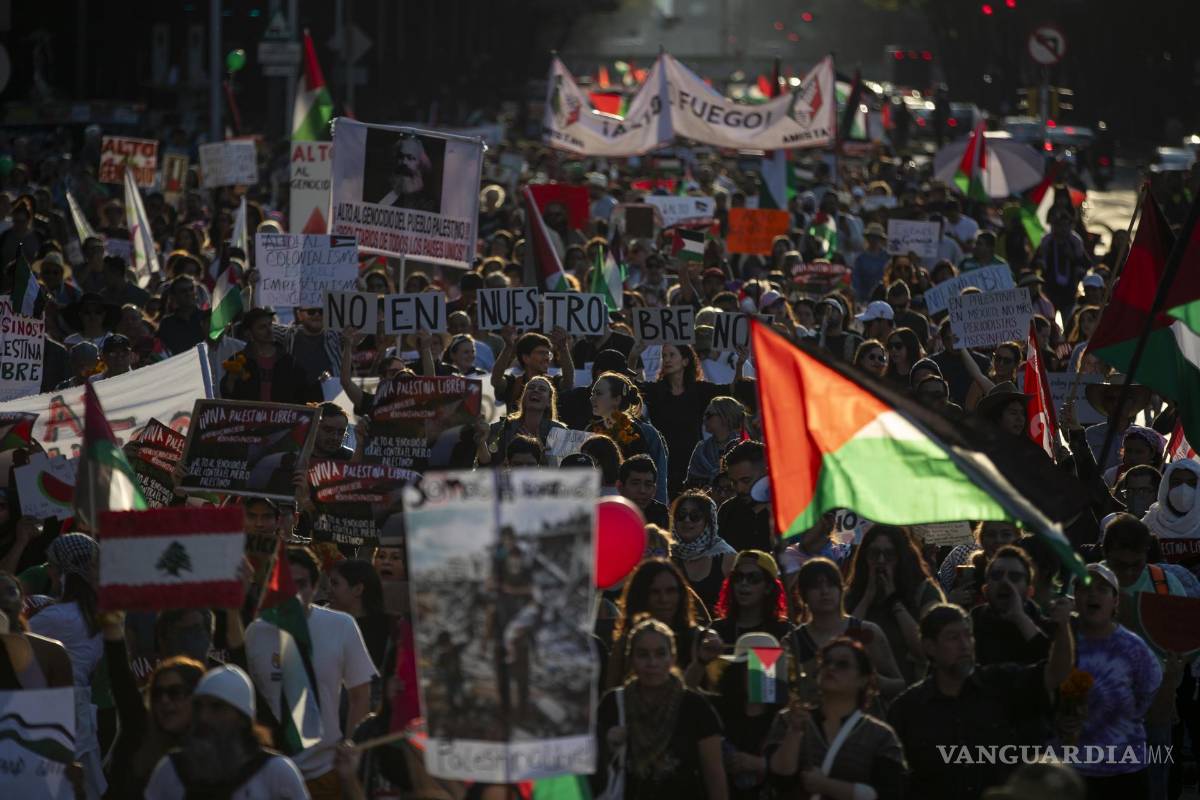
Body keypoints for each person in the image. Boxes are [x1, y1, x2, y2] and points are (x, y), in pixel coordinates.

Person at [888, 601, 1074, 800]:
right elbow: (894, 781)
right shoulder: (908, 710)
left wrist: (1062, 628)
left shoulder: (1001, 684)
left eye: (968, 635)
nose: (965, 645)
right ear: (930, 647)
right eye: (953, 637)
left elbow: (1056, 673)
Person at [245, 547, 378, 797]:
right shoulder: (256, 633)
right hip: (268, 774)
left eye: (301, 584)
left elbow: (361, 694)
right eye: (285, 584)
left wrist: (350, 746)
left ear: (315, 587)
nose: (293, 593)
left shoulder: (341, 626)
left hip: (325, 771)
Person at [1060, 562, 1164, 799]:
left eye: (1103, 589)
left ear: (1115, 601)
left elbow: (1148, 692)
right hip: (1072, 773)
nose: (1093, 594)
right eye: (1085, 587)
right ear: (1074, 597)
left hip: (1125, 771)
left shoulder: (1134, 648)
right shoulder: (1060, 642)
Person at [594, 617, 728, 799]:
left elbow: (714, 775)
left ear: (672, 658)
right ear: (631, 659)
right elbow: (590, 769)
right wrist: (606, 745)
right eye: (643, 654)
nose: (652, 663)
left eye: (660, 654)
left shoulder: (694, 706)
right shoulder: (614, 703)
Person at [766, 638, 907, 800]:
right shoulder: (789, 719)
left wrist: (826, 785)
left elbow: (890, 793)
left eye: (843, 664)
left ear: (863, 679)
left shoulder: (880, 736)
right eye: (826, 662)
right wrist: (794, 732)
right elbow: (778, 778)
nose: (831, 668)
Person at [144, 665, 309, 799]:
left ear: (242, 719)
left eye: (217, 707)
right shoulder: (171, 769)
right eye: (199, 706)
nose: (204, 717)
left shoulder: (276, 772)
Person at [28, 533, 107, 800]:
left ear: (64, 571)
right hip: (80, 709)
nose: (48, 571)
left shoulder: (58, 617)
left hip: (57, 712)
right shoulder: (95, 612)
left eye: (52, 565)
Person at [786, 557, 907, 701]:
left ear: (841, 589)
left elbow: (900, 685)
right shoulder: (792, 643)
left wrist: (872, 680)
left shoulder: (868, 632)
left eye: (831, 584)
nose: (824, 591)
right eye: (815, 586)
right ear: (803, 596)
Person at [105, 638, 206, 799]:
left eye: (175, 692)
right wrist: (112, 632)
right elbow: (120, 678)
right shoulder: (138, 733)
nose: (164, 700)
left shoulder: (214, 756)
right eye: (158, 693)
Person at [844, 525, 945, 684]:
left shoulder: (924, 592)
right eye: (874, 554)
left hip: (912, 692)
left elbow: (924, 650)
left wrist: (893, 600)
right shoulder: (852, 594)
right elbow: (843, 643)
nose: (881, 561)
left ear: (902, 557)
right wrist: (867, 597)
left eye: (889, 555)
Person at [633, 341, 727, 496]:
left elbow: (733, 389)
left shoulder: (699, 390)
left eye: (671, 355)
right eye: (664, 356)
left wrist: (740, 364)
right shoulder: (657, 390)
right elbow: (632, 386)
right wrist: (634, 355)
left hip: (692, 463)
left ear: (685, 361)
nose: (667, 360)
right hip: (663, 461)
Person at [711, 632, 787, 800]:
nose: (760, 675)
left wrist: (761, 765)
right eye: (753, 667)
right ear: (739, 671)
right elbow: (687, 695)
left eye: (765, 667)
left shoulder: (785, 717)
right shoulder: (719, 708)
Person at [609, 558, 709, 684]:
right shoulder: (625, 643)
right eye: (655, 592)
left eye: (671, 591)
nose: (664, 599)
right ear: (641, 596)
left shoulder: (697, 640)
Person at [968, 545, 1056, 666]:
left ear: (1029, 591)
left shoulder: (1048, 626)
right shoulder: (971, 624)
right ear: (985, 590)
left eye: (1014, 577)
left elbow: (1055, 665)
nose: (1005, 582)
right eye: (996, 576)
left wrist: (1019, 618)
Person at [222, 308, 320, 403]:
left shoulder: (288, 361)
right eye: (262, 327)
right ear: (249, 333)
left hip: (282, 419)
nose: (269, 330)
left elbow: (304, 396)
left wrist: (320, 384)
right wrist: (231, 380)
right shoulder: (238, 362)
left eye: (270, 325)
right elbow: (227, 398)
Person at [710, 550, 794, 648]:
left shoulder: (784, 632)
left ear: (769, 587)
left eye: (753, 577)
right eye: (738, 577)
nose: (744, 583)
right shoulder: (717, 631)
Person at [670, 490, 736, 615]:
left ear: (708, 521)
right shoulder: (667, 553)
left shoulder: (727, 557)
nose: (687, 520)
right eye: (681, 515)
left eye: (695, 516)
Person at [478, 375, 564, 466]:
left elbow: (566, 471)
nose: (535, 390)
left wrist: (539, 450)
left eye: (542, 389)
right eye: (530, 387)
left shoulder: (559, 432)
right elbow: (487, 464)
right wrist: (481, 442)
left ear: (548, 402)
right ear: (523, 398)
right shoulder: (500, 428)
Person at [327, 559, 391, 673]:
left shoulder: (383, 630)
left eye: (335, 583)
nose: (328, 590)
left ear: (358, 589)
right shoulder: (327, 621)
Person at [490, 327, 575, 408]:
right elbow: (496, 381)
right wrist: (508, 347)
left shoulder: (553, 383)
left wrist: (563, 348)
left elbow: (568, 383)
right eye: (541, 353)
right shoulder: (513, 384)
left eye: (548, 354)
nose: (547, 358)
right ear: (526, 358)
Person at [717, 440, 772, 553]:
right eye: (734, 482)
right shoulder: (727, 511)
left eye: (746, 480)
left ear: (767, 472)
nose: (739, 489)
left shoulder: (787, 511)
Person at [687, 396, 747, 487]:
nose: (704, 418)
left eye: (709, 415)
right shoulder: (701, 449)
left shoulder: (743, 446)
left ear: (725, 417)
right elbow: (691, 485)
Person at [1140, 458, 1200, 539]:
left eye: (1192, 483)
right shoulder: (1150, 523)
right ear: (1166, 486)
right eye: (1177, 482)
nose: (1184, 489)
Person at [379, 135, 438, 211]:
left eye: (410, 158)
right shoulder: (387, 198)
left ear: (422, 165)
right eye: (400, 157)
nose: (404, 162)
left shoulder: (430, 206)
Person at [156, 276, 208, 355]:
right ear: (174, 297)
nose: (189, 293)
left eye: (191, 289)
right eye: (183, 291)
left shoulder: (207, 317)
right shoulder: (167, 324)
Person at [618, 454, 669, 528]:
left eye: (648, 484)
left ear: (654, 489)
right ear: (620, 487)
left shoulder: (661, 515)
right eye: (635, 483)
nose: (642, 490)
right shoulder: (609, 515)